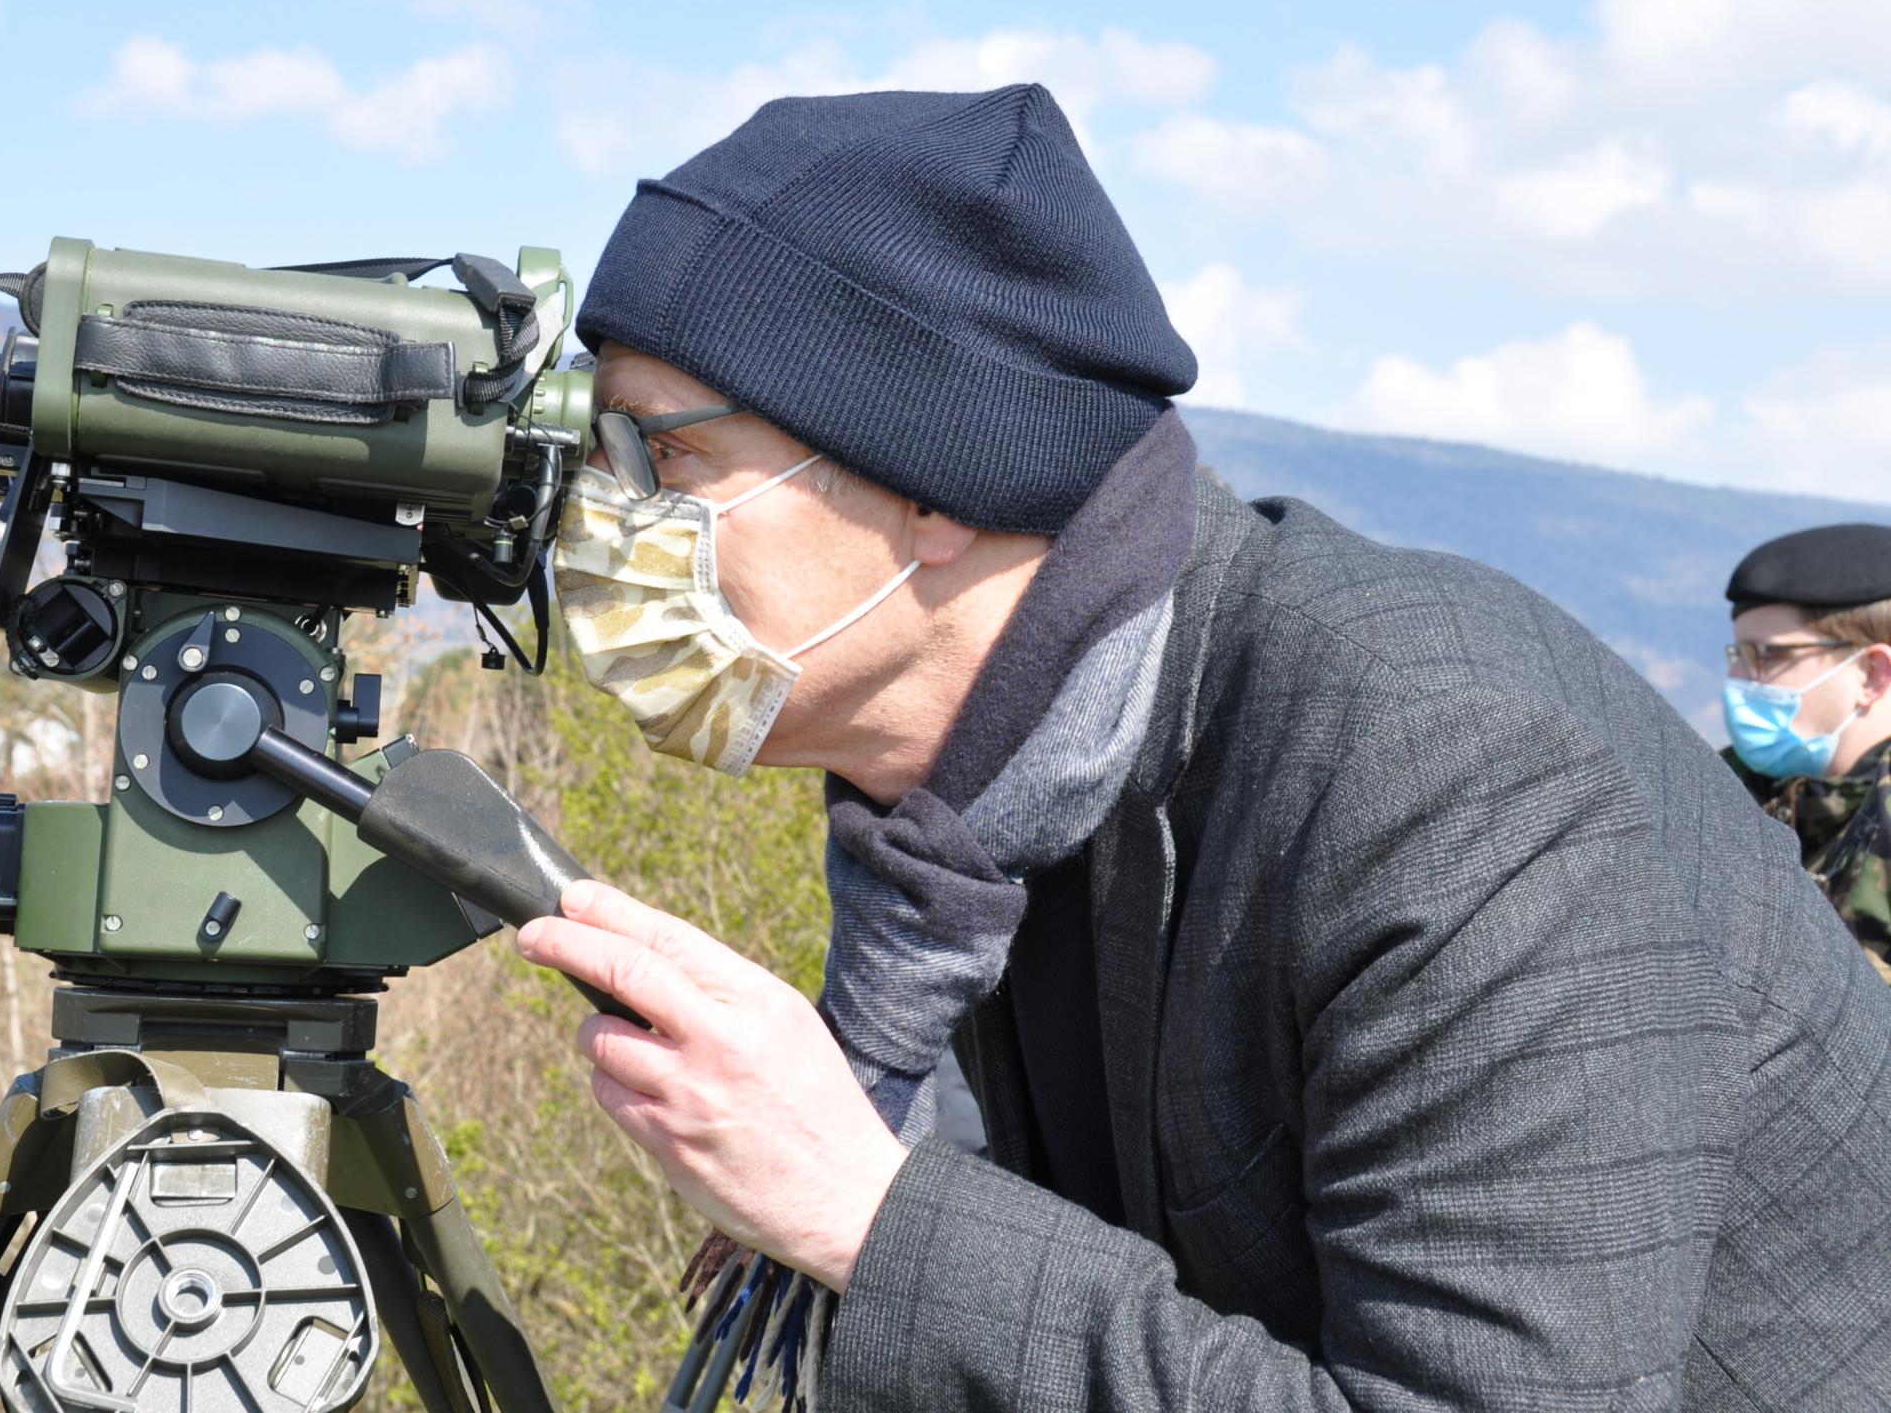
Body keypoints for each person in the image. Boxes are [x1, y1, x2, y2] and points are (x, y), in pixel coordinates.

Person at [513, 85, 1891, 1410]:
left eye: (660, 451)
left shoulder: (1448, 768)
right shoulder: (962, 841)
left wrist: (868, 1212)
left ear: (926, 476)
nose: (602, 515)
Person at [1721, 523, 1891, 981]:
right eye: (1738, 653)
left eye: (1768, 656)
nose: (1739, 677)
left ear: (1872, 673)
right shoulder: (1719, 791)